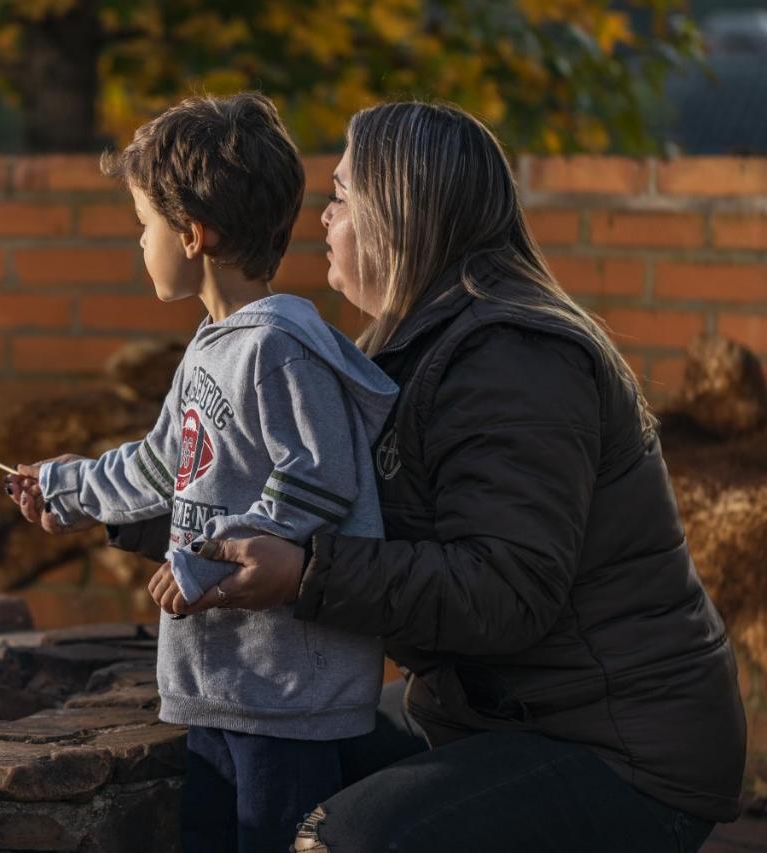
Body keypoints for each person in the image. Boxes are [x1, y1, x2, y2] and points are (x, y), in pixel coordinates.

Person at [118, 101, 742, 852]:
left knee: (339, 839)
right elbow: (291, 509)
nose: (323, 216)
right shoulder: (396, 352)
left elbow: (505, 590)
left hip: (616, 746)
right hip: (485, 711)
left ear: (400, 212)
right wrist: (125, 514)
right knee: (265, 743)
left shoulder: (512, 359)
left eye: (344, 196)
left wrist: (305, 572)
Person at [5, 92, 399, 852]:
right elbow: (161, 463)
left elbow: (319, 478)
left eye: (143, 226)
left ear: (192, 234)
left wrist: (205, 560)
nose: (140, 244)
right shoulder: (215, 344)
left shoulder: (279, 347)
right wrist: (68, 487)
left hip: (285, 692)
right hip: (218, 685)